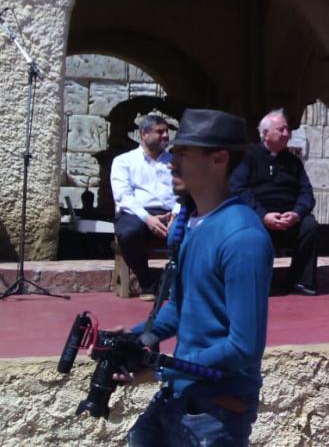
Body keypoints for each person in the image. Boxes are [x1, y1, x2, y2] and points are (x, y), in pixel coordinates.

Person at [123, 108, 274, 446]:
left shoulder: (242, 238)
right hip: (181, 392)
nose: (171, 162)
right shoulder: (192, 223)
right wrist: (140, 340)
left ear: (219, 159)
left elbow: (244, 346)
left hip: (215, 409)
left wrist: (162, 367)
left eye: (184, 153)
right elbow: (181, 305)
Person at [230, 109, 320, 296]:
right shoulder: (249, 158)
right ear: (265, 133)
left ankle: (301, 280)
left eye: (288, 130)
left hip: (290, 219)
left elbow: (307, 193)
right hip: (260, 217)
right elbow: (238, 188)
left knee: (310, 225)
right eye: (281, 130)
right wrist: (262, 215)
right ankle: (260, 282)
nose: (287, 134)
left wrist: (297, 213)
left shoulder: (293, 162)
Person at [110, 113, 178, 300]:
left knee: (192, 231)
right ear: (143, 134)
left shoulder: (175, 161)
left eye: (167, 132)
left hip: (171, 213)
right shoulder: (124, 161)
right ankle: (147, 283)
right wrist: (147, 219)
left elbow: (185, 191)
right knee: (129, 233)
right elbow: (123, 196)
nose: (165, 136)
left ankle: (177, 284)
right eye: (160, 132)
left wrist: (177, 213)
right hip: (136, 212)